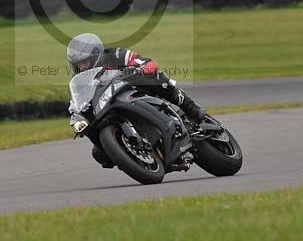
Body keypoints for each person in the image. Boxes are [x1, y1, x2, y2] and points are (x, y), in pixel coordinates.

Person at [66, 33, 207, 168]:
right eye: (79, 64)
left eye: (85, 61)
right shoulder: (79, 79)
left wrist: (140, 70)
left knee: (156, 77)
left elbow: (149, 63)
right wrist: (75, 114)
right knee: (97, 151)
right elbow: (77, 101)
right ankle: (125, 152)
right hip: (108, 105)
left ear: (96, 54)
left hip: (135, 89)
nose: (83, 67)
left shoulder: (116, 55)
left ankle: (190, 106)